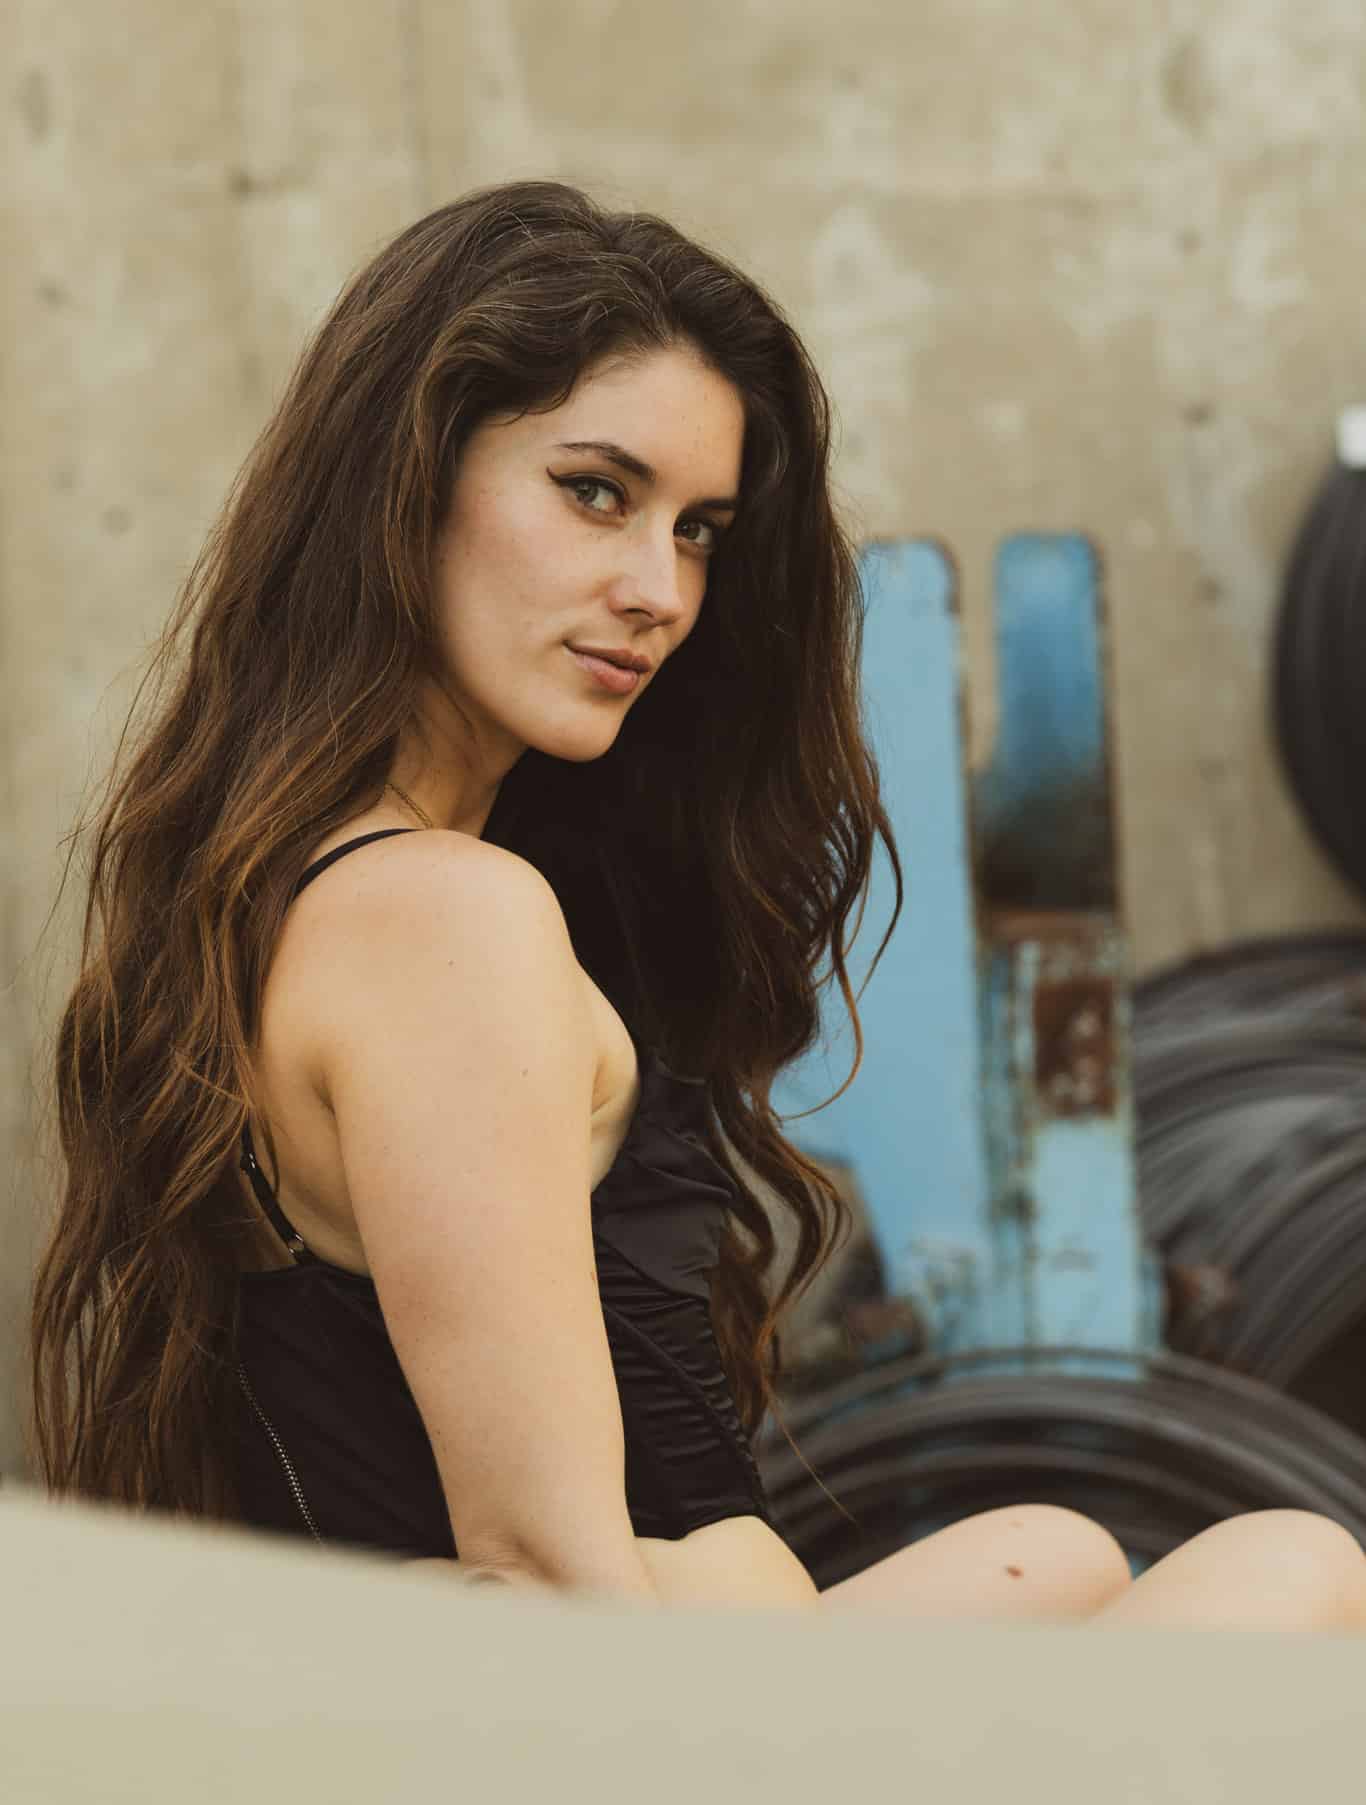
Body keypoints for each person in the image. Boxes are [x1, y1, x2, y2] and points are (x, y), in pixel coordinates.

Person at [28, 179, 1366, 1633]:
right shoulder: (437, 920)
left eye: (700, 531)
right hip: (627, 1758)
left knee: (1057, 1548)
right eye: (594, 492)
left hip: (665, 1696)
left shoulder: (342, 886)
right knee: (1290, 1575)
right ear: (402, 480)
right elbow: (543, 1573)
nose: (657, 590)